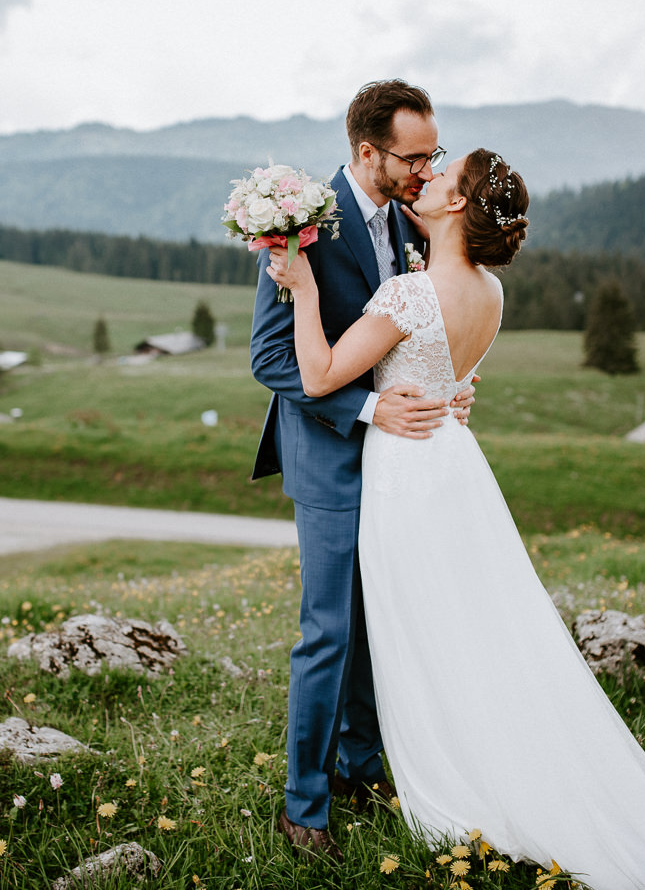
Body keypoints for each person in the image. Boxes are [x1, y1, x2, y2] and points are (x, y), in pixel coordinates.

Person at [265, 149, 645, 889]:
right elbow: (450, 373)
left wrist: (306, 288)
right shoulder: (492, 291)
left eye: (443, 175)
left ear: (455, 206)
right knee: (468, 627)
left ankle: (443, 773)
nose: (428, 177)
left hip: (405, 476)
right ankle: (440, 757)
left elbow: (317, 375)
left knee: (412, 632)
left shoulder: (413, 292)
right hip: (454, 466)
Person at [249, 79, 477, 862]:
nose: (425, 170)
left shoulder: (408, 223)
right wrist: (368, 412)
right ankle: (303, 805)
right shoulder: (302, 225)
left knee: (378, 625)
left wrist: (448, 385)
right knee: (330, 631)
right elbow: (271, 357)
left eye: (433, 155)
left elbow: (414, 328)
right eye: (414, 157)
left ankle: (359, 764)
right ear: (366, 150)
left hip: (399, 463)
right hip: (330, 457)